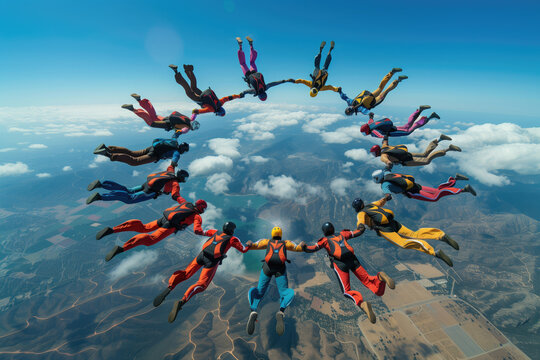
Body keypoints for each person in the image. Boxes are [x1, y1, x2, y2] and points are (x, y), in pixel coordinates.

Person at [153, 222, 250, 323]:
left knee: (186, 273)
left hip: (201, 255)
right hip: (211, 262)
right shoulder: (233, 239)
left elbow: (203, 232)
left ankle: (170, 286)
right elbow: (243, 250)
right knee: (202, 285)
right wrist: (249, 244)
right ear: (232, 230)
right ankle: (182, 301)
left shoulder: (216, 232)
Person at [303, 222, 395, 324]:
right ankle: (380, 278)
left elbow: (312, 248)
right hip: (353, 260)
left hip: (340, 264)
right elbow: (358, 232)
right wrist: (361, 226)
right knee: (371, 284)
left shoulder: (324, 240)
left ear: (324, 232)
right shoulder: (343, 234)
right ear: (333, 229)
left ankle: (362, 303)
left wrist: (303, 246)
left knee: (346, 291)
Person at [352, 195, 457, 267]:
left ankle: (434, 252)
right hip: (393, 222)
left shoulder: (361, 213)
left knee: (403, 244)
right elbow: (381, 202)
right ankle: (440, 235)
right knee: (414, 234)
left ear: (356, 208)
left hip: (385, 229)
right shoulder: (371, 205)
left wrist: (359, 227)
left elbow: (360, 221)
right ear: (362, 203)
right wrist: (386, 198)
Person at [96, 198, 208, 262]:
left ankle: (112, 230)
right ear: (201, 208)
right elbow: (197, 230)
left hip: (162, 219)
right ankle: (121, 248)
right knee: (151, 240)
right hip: (169, 226)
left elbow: (177, 196)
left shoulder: (186, 203)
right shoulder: (197, 216)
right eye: (203, 208)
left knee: (143, 227)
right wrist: (204, 233)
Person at [244, 227, 305, 336]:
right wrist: (302, 244)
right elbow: (298, 248)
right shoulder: (285, 243)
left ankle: (253, 309)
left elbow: (254, 245)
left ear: (272, 234)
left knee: (259, 291)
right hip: (280, 269)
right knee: (285, 292)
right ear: (281, 235)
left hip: (267, 268)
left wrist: (249, 243)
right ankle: (281, 311)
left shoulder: (267, 242)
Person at [86, 164, 189, 205]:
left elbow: (171, 165)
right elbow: (175, 195)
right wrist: (185, 204)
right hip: (149, 192)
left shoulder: (170, 172)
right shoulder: (175, 183)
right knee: (129, 199)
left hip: (145, 185)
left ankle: (102, 184)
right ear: (181, 178)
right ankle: (100, 197)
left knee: (127, 190)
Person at [169, 64, 243, 120]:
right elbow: (198, 111)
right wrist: (193, 116)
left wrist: (238, 96)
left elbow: (228, 98)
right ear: (218, 112)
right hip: (200, 99)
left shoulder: (220, 102)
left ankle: (189, 70)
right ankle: (176, 72)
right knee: (188, 91)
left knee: (194, 87)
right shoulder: (212, 109)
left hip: (205, 93)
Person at [236, 36, 295, 100]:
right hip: (248, 75)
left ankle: (251, 44)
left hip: (255, 72)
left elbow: (273, 84)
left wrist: (285, 81)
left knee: (252, 62)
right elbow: (246, 91)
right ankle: (240, 45)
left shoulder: (265, 87)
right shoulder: (255, 91)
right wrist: (242, 94)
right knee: (243, 63)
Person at [121, 93, 200, 138]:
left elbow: (194, 114)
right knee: (151, 123)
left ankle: (140, 100)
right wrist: (175, 136)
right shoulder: (186, 128)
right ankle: (132, 109)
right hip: (167, 124)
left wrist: (195, 112)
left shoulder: (190, 119)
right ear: (192, 127)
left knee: (153, 116)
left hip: (167, 118)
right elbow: (181, 131)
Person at [372, 170, 477, 202]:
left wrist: (387, 197)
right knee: (437, 190)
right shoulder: (387, 174)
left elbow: (387, 192)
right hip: (416, 185)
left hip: (413, 192)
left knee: (435, 197)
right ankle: (454, 179)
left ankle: (463, 190)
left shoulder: (384, 184)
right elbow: (387, 168)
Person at [339, 68, 407, 116]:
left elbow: (365, 111)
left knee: (386, 90)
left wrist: (370, 114)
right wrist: (340, 92)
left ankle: (398, 80)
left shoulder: (359, 109)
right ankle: (391, 72)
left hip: (373, 101)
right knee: (380, 87)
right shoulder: (350, 102)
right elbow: (344, 97)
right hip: (368, 95)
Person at [370, 133, 461, 169]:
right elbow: (385, 139)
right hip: (406, 154)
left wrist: (388, 167)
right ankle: (439, 139)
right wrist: (386, 133)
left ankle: (448, 149)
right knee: (424, 154)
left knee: (427, 160)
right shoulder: (384, 147)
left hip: (406, 161)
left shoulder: (382, 156)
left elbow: (387, 161)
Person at [93, 139, 189, 167]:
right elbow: (175, 159)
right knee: (135, 161)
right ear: (183, 150)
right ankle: (108, 154)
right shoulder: (177, 152)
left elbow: (176, 134)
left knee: (132, 153)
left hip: (151, 148)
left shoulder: (174, 142)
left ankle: (108, 148)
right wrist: (173, 165)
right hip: (154, 155)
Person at [360, 108, 440, 138]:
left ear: (367, 131)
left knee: (408, 131)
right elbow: (370, 120)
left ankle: (429, 117)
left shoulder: (373, 131)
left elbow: (380, 135)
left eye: (364, 133)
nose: (365, 134)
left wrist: (384, 142)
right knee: (407, 126)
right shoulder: (370, 125)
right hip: (393, 128)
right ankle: (419, 111)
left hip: (392, 132)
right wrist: (370, 116)